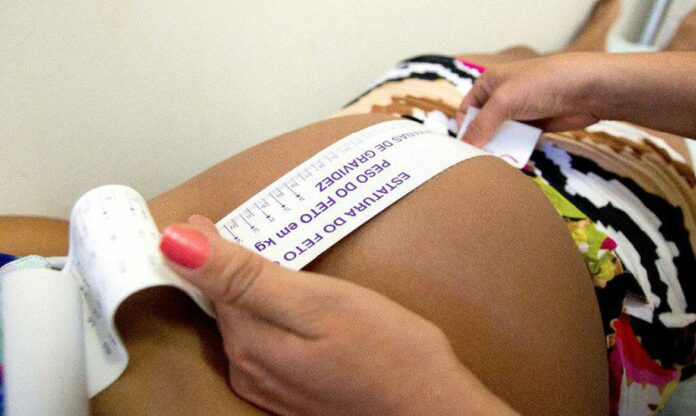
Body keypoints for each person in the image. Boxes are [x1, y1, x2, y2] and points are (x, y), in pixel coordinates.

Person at [1, 1, 694, 415]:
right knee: (532, 66)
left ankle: (600, 42)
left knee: (521, 62)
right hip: (609, 235)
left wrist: (420, 401)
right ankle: (604, 42)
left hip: (420, 117)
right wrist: (602, 80)